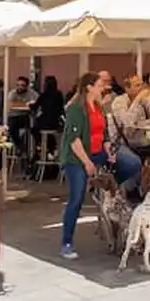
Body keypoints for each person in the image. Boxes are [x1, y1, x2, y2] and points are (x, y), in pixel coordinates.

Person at [59, 72, 110, 260]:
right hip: (77, 158)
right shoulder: (76, 108)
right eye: (99, 85)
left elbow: (103, 132)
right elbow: (74, 140)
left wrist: (108, 148)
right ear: (89, 87)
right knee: (76, 198)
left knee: (130, 163)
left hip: (96, 153)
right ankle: (66, 242)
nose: (102, 88)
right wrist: (87, 163)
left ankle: (110, 201)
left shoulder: (98, 106)